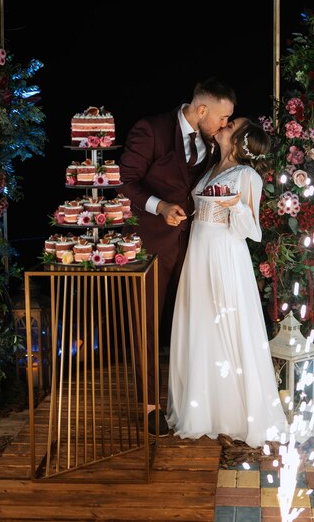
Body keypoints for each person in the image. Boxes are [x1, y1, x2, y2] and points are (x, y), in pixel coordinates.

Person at [119, 77, 236, 435]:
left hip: (196, 245)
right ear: (202, 110)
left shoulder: (211, 140)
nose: (225, 124)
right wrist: (160, 206)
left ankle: (197, 400)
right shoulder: (150, 130)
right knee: (148, 323)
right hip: (152, 245)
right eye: (222, 117)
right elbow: (125, 180)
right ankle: (150, 405)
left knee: (194, 322)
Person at [166, 117, 288, 448]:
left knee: (226, 326)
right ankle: (203, 410)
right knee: (202, 326)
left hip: (224, 256)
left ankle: (235, 414)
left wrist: (236, 207)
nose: (225, 124)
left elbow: (255, 232)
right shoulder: (209, 169)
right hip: (198, 255)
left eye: (231, 124)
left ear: (237, 140)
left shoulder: (247, 176)